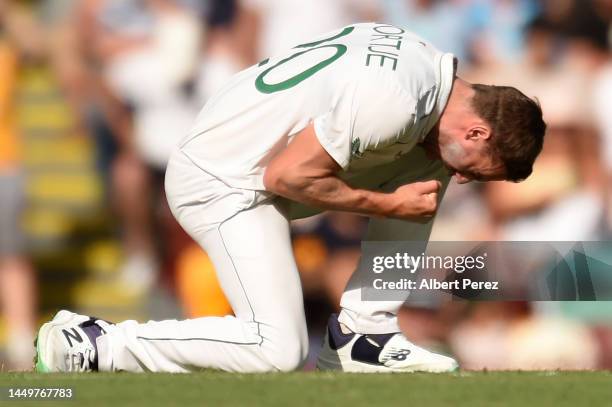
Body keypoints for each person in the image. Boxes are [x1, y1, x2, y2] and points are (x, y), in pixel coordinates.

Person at [34, 22, 545, 373]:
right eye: (478, 171)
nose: (467, 182)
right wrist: (390, 205)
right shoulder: (396, 102)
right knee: (277, 349)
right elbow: (289, 177)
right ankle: (96, 345)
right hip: (222, 180)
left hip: (243, 150)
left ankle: (365, 336)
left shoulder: (424, 65)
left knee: (430, 169)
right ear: (478, 132)